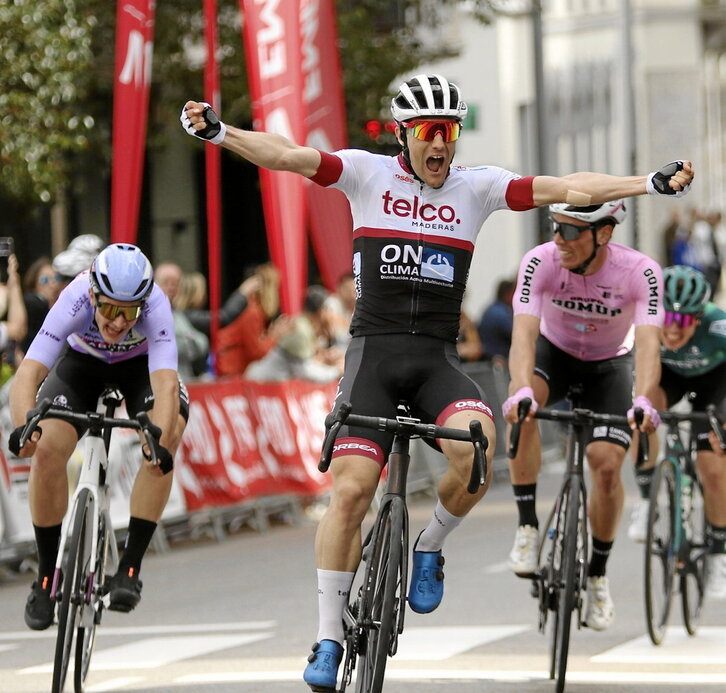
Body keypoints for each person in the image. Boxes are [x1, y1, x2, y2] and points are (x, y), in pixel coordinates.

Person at [180, 74, 693, 690]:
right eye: (429, 131)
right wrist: (220, 132)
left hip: (436, 362)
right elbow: (287, 155)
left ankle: (429, 545)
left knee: (477, 449)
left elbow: (567, 187)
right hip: (373, 355)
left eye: (449, 131)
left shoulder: (477, 188)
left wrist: (647, 183)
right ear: (405, 135)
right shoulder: (366, 174)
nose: (441, 143)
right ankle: (326, 636)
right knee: (351, 493)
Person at [501, 199, 670, 632]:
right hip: (553, 354)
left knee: (607, 467)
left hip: (610, 364)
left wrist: (646, 398)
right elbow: (523, 335)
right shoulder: (540, 261)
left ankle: (597, 572)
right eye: (554, 227)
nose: (559, 239)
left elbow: (649, 345)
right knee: (522, 410)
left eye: (571, 231)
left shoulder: (640, 271)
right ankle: (526, 527)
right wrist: (521, 388)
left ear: (603, 234)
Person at [8, 243, 188, 630]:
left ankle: (129, 568)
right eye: (109, 308)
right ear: (93, 295)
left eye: (129, 312)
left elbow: (166, 384)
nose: (119, 322)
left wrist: (154, 438)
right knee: (46, 449)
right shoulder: (74, 298)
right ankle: (45, 577)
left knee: (167, 438)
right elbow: (27, 374)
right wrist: (24, 426)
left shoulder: (156, 306)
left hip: (139, 368)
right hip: (82, 365)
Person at [627, 266, 726, 600]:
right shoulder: (645, 319)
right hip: (668, 376)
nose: (671, 329)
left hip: (714, 385)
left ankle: (718, 550)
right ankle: (645, 499)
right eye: (667, 317)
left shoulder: (718, 325)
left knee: (712, 466)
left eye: (682, 321)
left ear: (698, 318)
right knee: (642, 413)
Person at [215, 263, 291, 377]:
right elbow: (256, 352)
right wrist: (275, 336)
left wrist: (271, 335)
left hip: (232, 370)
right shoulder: (252, 312)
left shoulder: (252, 309)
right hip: (231, 373)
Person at [154, 262, 209, 381]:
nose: (171, 287)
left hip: (184, 382)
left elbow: (202, 343)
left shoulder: (178, 314)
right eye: (166, 282)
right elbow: (161, 347)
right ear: (155, 282)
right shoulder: (146, 315)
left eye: (176, 283)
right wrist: (187, 340)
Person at [20, 257, 62, 355]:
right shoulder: (33, 302)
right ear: (34, 282)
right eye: (44, 280)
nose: (52, 284)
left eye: (56, 279)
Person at [477, 277, 516, 366]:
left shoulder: (491, 308)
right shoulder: (500, 314)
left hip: (490, 359)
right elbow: (517, 335)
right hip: (498, 361)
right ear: (508, 294)